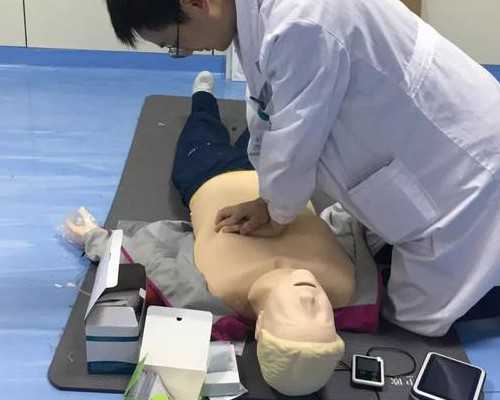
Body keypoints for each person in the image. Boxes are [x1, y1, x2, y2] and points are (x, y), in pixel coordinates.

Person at [105, 0, 500, 337]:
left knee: (412, 318)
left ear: (196, 2)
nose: (186, 52)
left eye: (173, 44)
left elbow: (294, 137)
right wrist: (271, 202)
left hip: (467, 169)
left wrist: (277, 209)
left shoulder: (303, 21)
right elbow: (270, 110)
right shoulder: (262, 20)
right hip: (416, 151)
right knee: (389, 274)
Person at [64, 73, 381, 395]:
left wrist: (93, 237)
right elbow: (353, 223)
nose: (310, 299)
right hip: (280, 174)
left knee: (201, 126)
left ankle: (202, 95)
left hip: (208, 174)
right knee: (265, 120)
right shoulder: (348, 283)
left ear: (261, 328)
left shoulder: (211, 294)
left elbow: (152, 257)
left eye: (299, 315)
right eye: (324, 320)